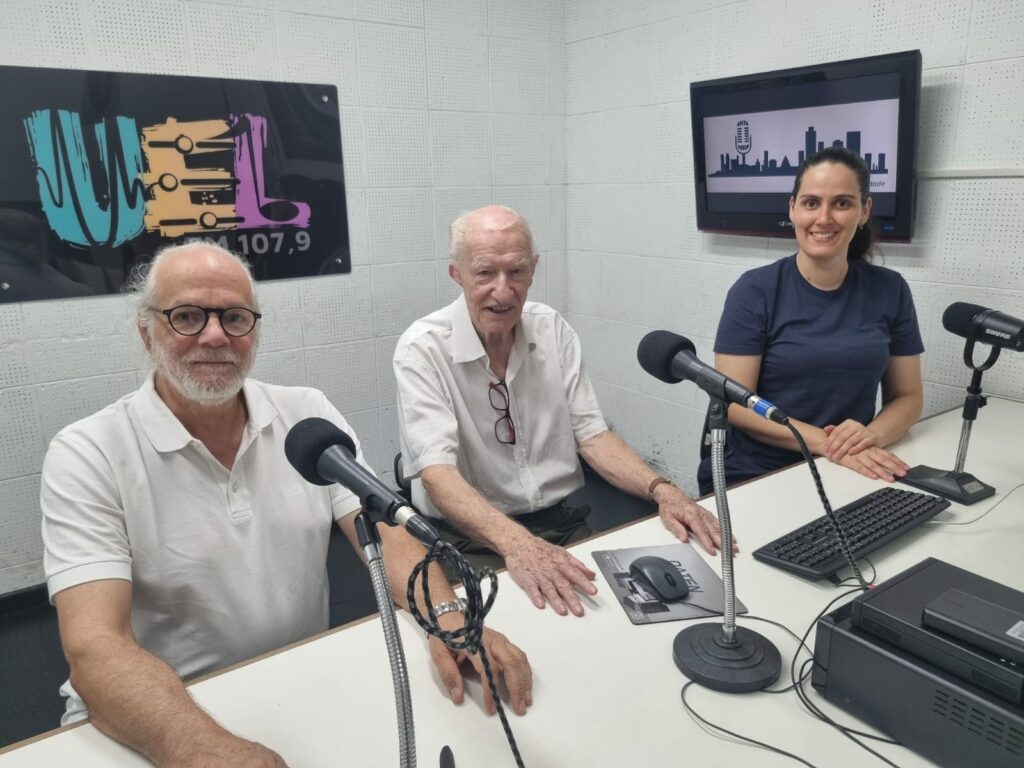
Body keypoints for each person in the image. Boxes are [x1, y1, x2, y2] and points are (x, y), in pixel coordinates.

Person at [40, 242, 532, 768]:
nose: (215, 336)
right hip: (156, 714)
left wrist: (450, 618)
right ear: (147, 331)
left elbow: (387, 533)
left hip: (296, 675)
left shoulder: (306, 416)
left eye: (234, 318)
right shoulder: (88, 452)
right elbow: (96, 647)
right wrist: (202, 750)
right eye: (186, 316)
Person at [394, 205, 727, 619]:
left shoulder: (552, 329)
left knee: (616, 615)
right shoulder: (422, 349)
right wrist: (518, 545)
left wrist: (665, 491)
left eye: (516, 271)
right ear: (456, 274)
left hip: (559, 523)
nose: (503, 290)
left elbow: (593, 435)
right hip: (467, 538)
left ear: (533, 270)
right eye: (485, 273)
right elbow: (437, 474)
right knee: (510, 634)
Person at [696, 147, 924, 494]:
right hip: (759, 474)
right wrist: (829, 444)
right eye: (811, 203)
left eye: (842, 203)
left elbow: (908, 397)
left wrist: (872, 435)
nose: (824, 218)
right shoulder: (754, 291)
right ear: (793, 208)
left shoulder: (890, 289)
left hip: (850, 468)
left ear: (865, 210)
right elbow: (737, 407)